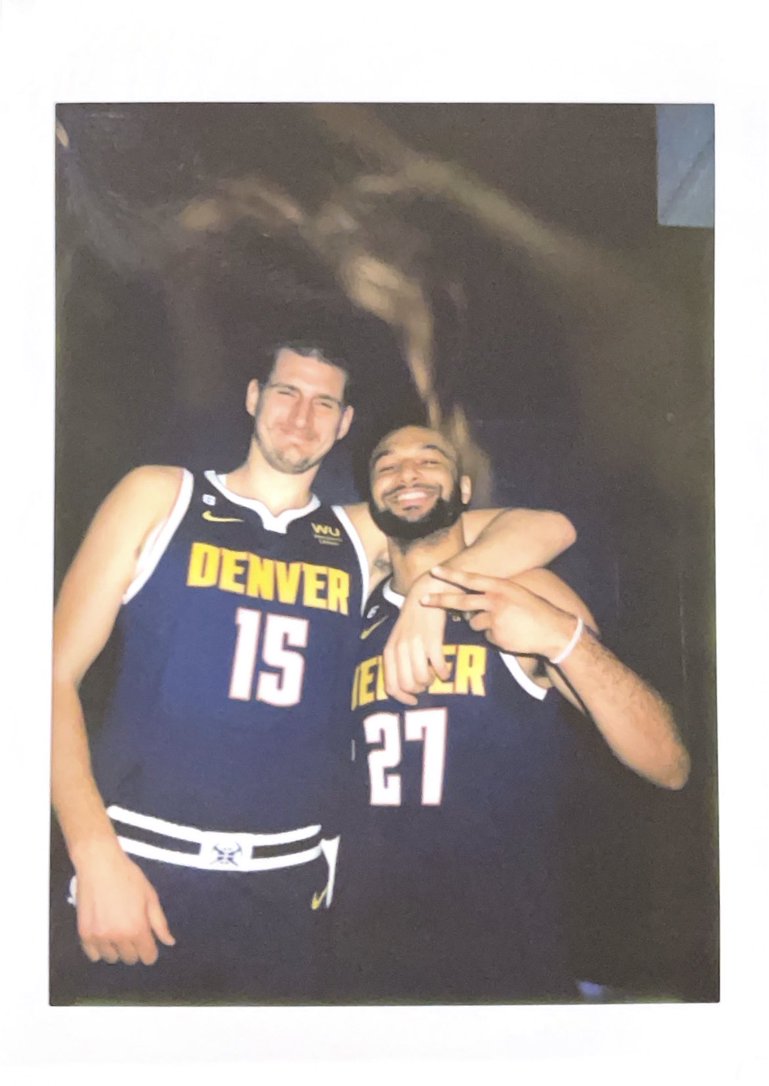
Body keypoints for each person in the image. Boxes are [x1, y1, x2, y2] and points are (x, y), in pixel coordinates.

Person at [50, 342, 576, 1004]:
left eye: (324, 403)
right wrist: (93, 854)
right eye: (286, 393)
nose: (301, 418)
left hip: (291, 891)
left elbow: (546, 527)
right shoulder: (162, 495)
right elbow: (49, 680)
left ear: (344, 422)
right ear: (253, 397)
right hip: (141, 871)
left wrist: (429, 592)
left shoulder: (356, 537)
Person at [335, 424, 690, 1003]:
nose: (407, 473)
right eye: (387, 465)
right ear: (371, 499)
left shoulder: (523, 588)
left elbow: (669, 762)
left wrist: (563, 638)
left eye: (430, 460)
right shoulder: (352, 607)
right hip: (363, 957)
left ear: (465, 490)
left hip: (501, 957)